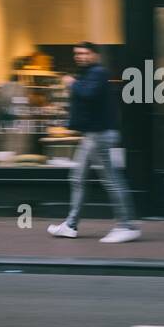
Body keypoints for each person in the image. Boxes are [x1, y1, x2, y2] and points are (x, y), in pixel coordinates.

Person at [47, 42, 141, 244]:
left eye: (84, 52)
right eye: (77, 53)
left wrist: (72, 83)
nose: (80, 56)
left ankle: (127, 226)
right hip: (91, 136)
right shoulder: (89, 73)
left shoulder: (98, 73)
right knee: (78, 178)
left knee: (112, 180)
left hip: (100, 136)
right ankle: (70, 225)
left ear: (95, 55)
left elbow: (88, 94)